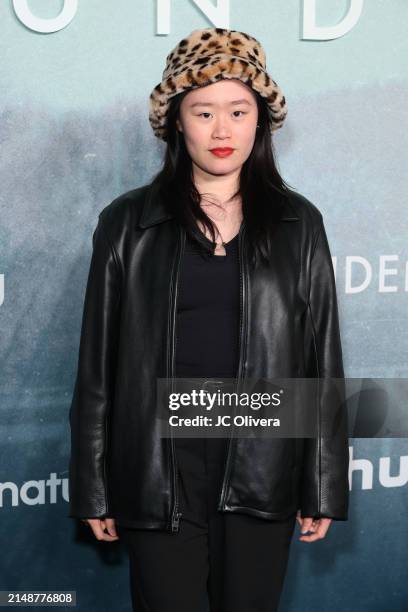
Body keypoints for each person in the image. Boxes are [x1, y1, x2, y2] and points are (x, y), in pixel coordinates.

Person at [68, 27, 349, 611]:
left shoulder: (300, 223)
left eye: (238, 111)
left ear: (260, 120)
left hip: (261, 462)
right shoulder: (126, 224)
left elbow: (322, 361)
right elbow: (96, 368)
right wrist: (94, 488)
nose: (222, 131)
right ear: (175, 120)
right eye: (203, 112)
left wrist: (322, 483)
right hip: (156, 465)